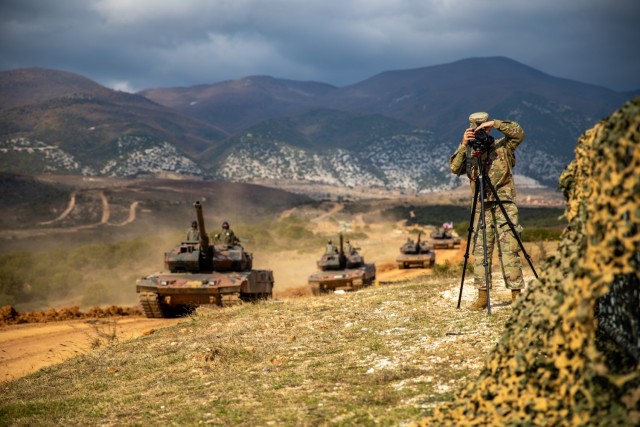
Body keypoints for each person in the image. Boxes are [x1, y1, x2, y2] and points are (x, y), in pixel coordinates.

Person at [450, 112, 525, 309]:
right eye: (478, 129)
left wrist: (496, 124)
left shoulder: (503, 146)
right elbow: (455, 169)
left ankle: (516, 295)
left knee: (510, 249)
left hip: (504, 203)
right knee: (481, 250)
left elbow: (518, 133)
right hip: (481, 206)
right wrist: (463, 144)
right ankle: (483, 296)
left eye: (485, 128)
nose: (482, 132)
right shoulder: (470, 151)